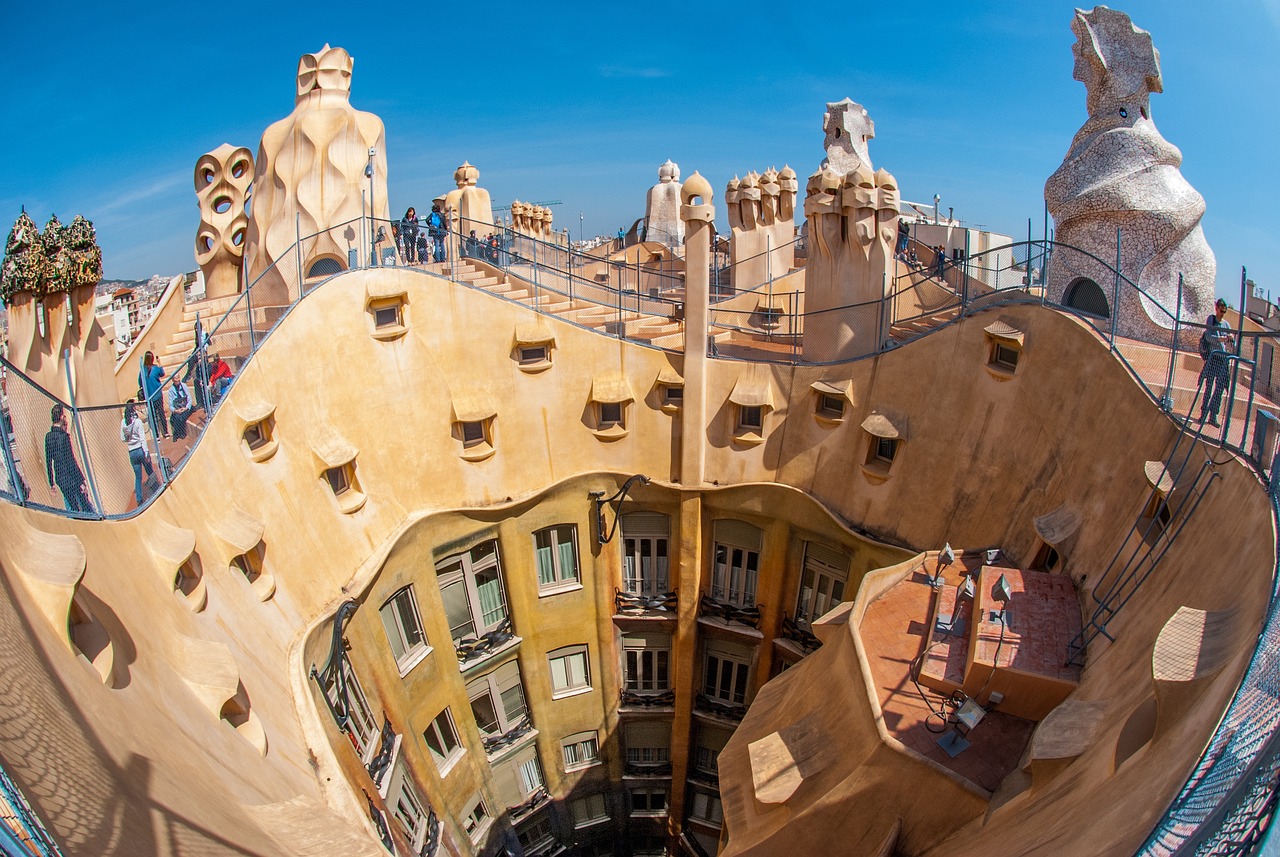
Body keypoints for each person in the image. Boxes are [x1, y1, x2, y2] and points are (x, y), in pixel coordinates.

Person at [44, 404, 92, 513]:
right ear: (61, 417)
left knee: (72, 506)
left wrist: (51, 482)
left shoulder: (48, 437)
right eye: (64, 416)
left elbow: (48, 461)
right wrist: (80, 480)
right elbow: (70, 460)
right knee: (84, 503)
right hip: (71, 478)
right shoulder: (63, 437)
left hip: (60, 478)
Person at [1198, 298, 1236, 427]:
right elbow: (1208, 337)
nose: (1222, 312)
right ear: (1216, 308)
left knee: (1219, 390)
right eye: (1220, 308)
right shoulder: (1212, 319)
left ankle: (1213, 417)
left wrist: (1231, 339)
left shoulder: (1226, 325)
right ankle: (1203, 414)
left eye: (1224, 309)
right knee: (1208, 387)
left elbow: (1232, 343)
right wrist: (1220, 339)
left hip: (1223, 360)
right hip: (1213, 358)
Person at [120, 400, 155, 506]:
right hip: (140, 449)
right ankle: (156, 488)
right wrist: (146, 452)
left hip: (132, 452)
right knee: (149, 471)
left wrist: (129, 438)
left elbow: (122, 438)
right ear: (134, 409)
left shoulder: (123, 422)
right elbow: (142, 438)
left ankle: (139, 499)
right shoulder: (137, 422)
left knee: (138, 477)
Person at [139, 351, 168, 438]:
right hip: (157, 395)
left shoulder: (142, 371)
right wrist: (160, 363)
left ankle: (157, 435)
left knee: (153, 416)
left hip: (149, 398)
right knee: (161, 413)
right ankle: (165, 432)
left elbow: (140, 383)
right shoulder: (155, 368)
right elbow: (162, 373)